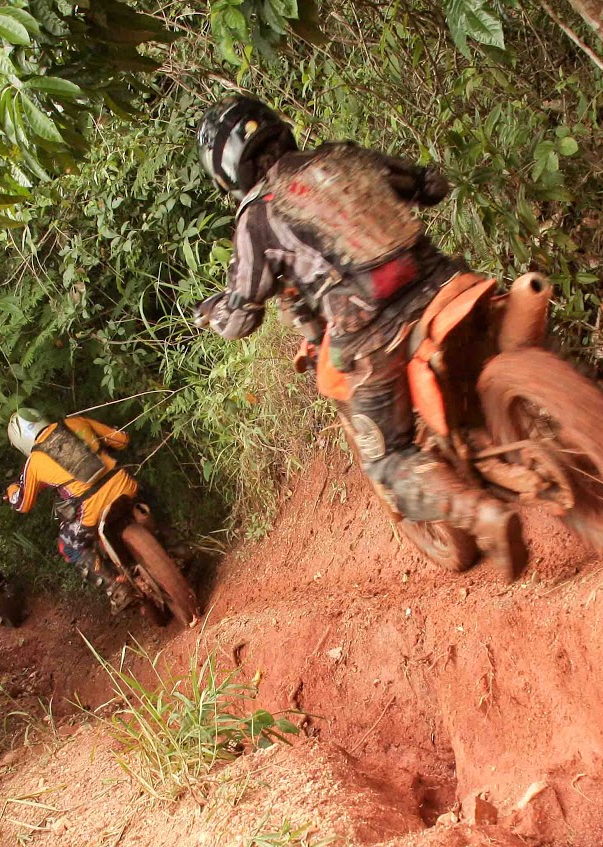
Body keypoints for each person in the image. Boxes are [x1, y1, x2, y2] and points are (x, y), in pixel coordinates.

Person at [192, 96, 526, 578]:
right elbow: (430, 185)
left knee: (387, 459)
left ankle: (485, 517)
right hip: (445, 280)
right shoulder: (340, 156)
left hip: (374, 332)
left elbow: (242, 315)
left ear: (226, 170)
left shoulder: (256, 217)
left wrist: (215, 314)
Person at [3, 410, 138, 580]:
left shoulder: (34, 462)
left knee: (68, 547)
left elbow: (22, 504)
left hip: (91, 514)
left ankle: (115, 585)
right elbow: (122, 440)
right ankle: (167, 538)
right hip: (126, 486)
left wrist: (11, 490)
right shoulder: (75, 422)